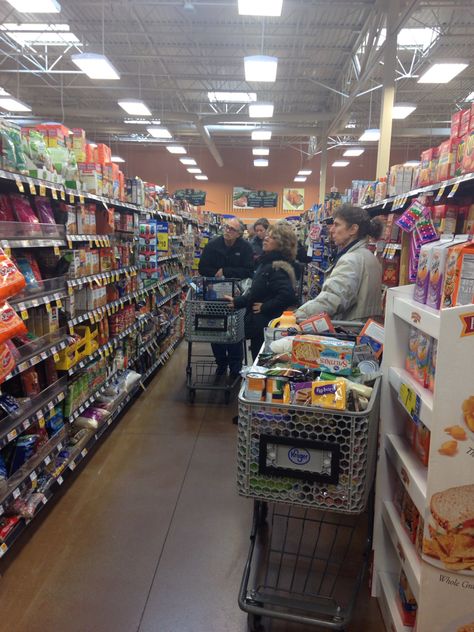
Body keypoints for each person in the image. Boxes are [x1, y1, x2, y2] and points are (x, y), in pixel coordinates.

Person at [295, 205, 383, 322]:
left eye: (337, 225)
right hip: (363, 329)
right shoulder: (369, 256)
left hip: (349, 329)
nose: (331, 230)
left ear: (353, 229)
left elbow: (332, 299)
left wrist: (297, 315)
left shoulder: (351, 259)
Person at [226, 222, 298, 359]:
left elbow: (287, 295)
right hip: (262, 325)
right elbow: (259, 292)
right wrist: (238, 301)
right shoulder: (267, 262)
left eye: (272, 237)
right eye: (267, 236)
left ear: (282, 244)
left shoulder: (277, 266)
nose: (265, 238)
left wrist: (265, 307)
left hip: (267, 327)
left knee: (263, 361)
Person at [198, 217, 254, 379]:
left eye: (232, 229)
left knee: (235, 332)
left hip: (236, 296)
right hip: (213, 296)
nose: (228, 231)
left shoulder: (245, 248)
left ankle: (235, 368)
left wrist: (226, 271)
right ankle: (221, 363)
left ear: (239, 234)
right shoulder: (212, 245)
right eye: (227, 228)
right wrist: (216, 272)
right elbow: (202, 268)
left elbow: (249, 270)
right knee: (215, 330)